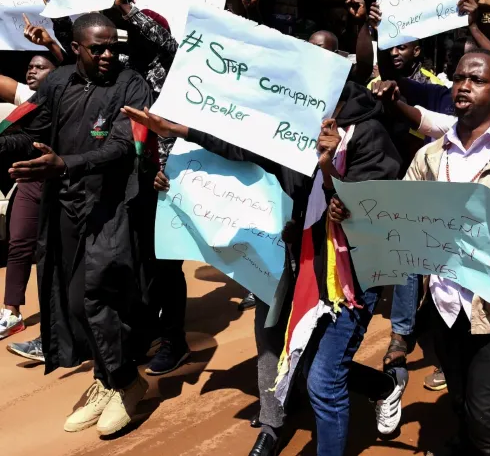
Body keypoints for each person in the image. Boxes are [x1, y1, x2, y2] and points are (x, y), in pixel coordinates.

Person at [125, 78, 403, 456]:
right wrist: (178, 131)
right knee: (295, 357)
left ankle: (370, 399)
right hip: (300, 261)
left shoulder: (368, 133)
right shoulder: (293, 129)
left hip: (350, 277)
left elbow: (369, 206)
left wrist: (330, 166)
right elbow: (240, 148)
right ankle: (348, 399)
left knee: (322, 380)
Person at [331, 49, 490, 456]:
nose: (463, 85)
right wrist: (352, 209)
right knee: (460, 402)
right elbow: (397, 214)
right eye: (459, 77)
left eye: (477, 80)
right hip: (444, 307)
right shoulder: (430, 156)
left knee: (487, 427)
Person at [0, 13, 153, 436]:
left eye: (112, 48)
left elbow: (124, 146)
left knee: (99, 293)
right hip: (65, 206)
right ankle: (107, 378)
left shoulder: (132, 84)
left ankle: (126, 382)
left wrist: (64, 162)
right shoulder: (58, 81)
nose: (107, 55)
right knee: (70, 301)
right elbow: (27, 125)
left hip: (112, 207)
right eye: (97, 48)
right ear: (78, 47)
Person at [0, 54, 57, 342]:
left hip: (64, 185)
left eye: (40, 67)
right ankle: (11, 313)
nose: (32, 71)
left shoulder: (68, 96)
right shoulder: (30, 99)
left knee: (57, 254)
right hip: (31, 183)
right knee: (19, 243)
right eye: (30, 67)